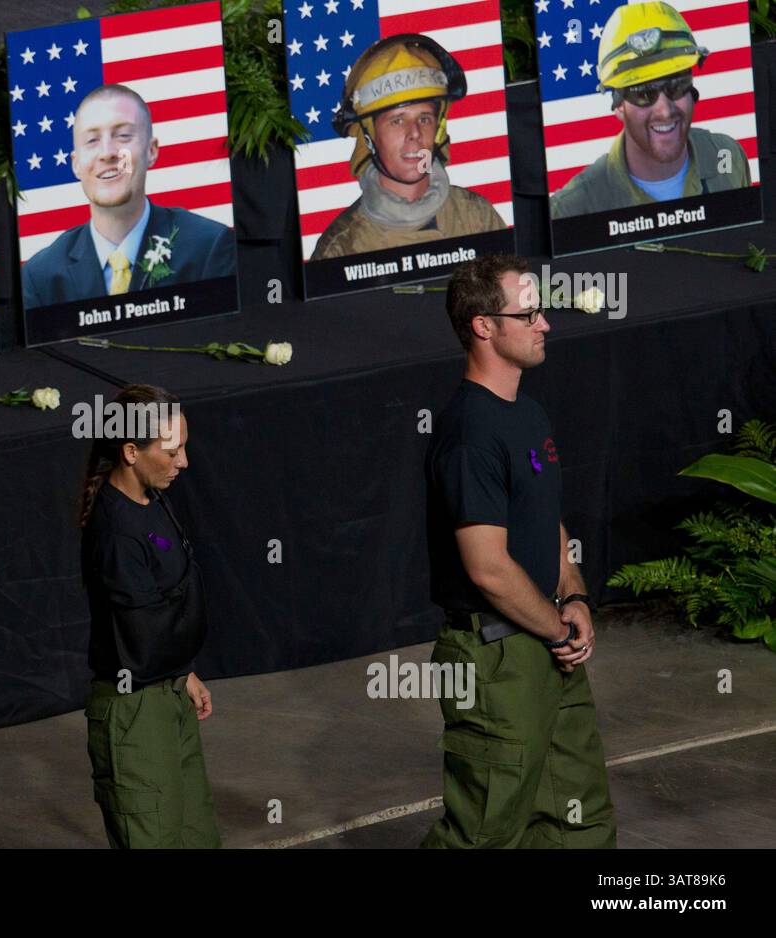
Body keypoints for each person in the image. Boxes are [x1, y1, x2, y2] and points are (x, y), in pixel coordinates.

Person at [421, 253, 617, 848]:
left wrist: (575, 595)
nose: (544, 324)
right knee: (486, 831)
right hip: (495, 660)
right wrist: (556, 630)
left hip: (546, 645)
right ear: (484, 325)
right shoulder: (468, 433)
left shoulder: (527, 414)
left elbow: (542, 520)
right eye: (527, 313)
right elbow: (488, 566)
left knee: (578, 819)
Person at [77, 384, 220, 849]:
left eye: (184, 448)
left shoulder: (149, 500)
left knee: (197, 836)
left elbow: (163, 605)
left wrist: (185, 672)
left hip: (167, 692)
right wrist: (174, 666)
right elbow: (144, 635)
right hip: (136, 712)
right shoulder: (116, 534)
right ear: (132, 451)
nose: (183, 463)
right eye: (173, 451)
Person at [22, 85, 235, 308]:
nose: (107, 153)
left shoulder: (209, 248)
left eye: (123, 136)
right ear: (75, 164)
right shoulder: (40, 279)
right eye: (92, 140)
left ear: (151, 151)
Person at [311, 34, 505, 260]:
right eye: (397, 121)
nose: (414, 134)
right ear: (369, 136)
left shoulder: (477, 217)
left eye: (424, 119)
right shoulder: (342, 247)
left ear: (438, 130)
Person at [549, 1, 749, 219]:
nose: (664, 110)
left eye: (676, 85)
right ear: (618, 106)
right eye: (643, 93)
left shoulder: (726, 156)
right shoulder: (571, 210)